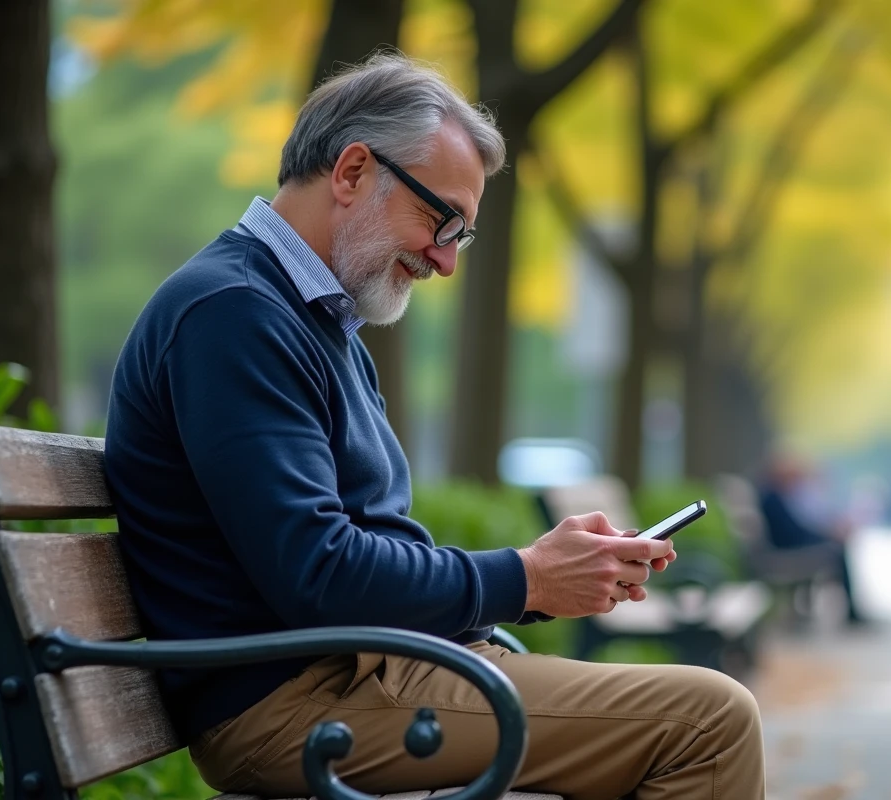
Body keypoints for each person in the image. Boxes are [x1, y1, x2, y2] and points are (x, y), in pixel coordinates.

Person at [104, 54, 763, 800]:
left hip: (364, 675)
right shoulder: (231, 316)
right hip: (299, 707)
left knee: (699, 715)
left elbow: (363, 549)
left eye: (463, 234)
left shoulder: (314, 323)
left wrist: (545, 578)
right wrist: (526, 576)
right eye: (440, 218)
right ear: (352, 171)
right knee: (710, 720)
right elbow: (319, 574)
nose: (446, 260)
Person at [758, 453, 866, 625]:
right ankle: (851, 611)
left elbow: (799, 526)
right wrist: (825, 536)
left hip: (791, 545)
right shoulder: (772, 499)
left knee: (836, 548)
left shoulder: (777, 497)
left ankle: (852, 611)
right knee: (836, 551)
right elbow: (792, 531)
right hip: (788, 550)